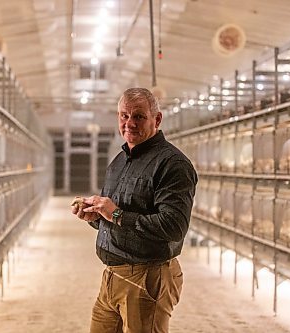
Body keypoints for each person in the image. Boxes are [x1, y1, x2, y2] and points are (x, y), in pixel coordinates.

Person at [71, 87, 198, 333]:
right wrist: (94, 216)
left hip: (146, 275)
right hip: (111, 276)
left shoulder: (172, 164)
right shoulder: (119, 161)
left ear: (156, 119)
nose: (129, 123)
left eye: (138, 116)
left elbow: (174, 227)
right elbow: (116, 216)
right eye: (124, 116)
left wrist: (116, 214)